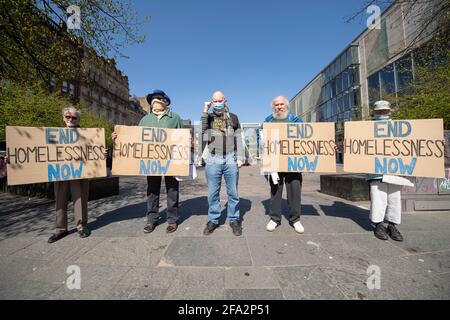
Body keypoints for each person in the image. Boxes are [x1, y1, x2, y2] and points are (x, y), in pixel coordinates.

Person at [112, 89, 183, 234]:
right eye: (153, 98)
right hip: (151, 163)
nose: (155, 100)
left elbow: (181, 138)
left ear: (165, 101)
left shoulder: (175, 118)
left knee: (172, 190)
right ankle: (152, 220)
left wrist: (186, 140)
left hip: (171, 161)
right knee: (152, 191)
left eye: (159, 98)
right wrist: (119, 137)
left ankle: (172, 220)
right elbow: (136, 139)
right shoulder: (144, 120)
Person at [202, 91, 245, 236]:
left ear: (225, 101)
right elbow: (203, 133)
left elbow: (238, 137)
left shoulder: (233, 117)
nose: (218, 103)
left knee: (233, 192)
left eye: (220, 100)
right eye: (215, 101)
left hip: (230, 158)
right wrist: (204, 111)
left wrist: (240, 157)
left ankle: (234, 219)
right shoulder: (208, 117)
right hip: (213, 159)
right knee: (213, 193)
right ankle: (213, 219)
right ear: (211, 102)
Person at [48, 107, 91, 243]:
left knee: (80, 199)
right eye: (68, 117)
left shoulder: (87, 135)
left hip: (79, 172)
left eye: (74, 117)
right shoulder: (54, 134)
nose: (70, 119)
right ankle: (60, 228)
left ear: (79, 119)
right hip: (60, 172)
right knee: (60, 199)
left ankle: (81, 226)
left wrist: (102, 153)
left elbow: (94, 152)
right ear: (63, 118)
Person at [263, 96, 305, 234]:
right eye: (276, 105)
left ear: (286, 106)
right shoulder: (268, 121)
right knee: (275, 190)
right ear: (273, 107)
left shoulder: (297, 120)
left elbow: (307, 139)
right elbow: (261, 138)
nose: (279, 107)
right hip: (274, 161)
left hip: (293, 161)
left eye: (281, 104)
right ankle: (274, 219)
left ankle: (295, 219)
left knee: (295, 190)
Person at [367, 100, 404, 241]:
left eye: (385, 111)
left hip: (395, 168)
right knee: (378, 198)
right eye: (380, 111)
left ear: (389, 111)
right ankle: (378, 224)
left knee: (395, 198)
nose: (382, 113)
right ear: (375, 112)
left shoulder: (398, 127)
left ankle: (392, 225)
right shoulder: (366, 128)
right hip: (375, 169)